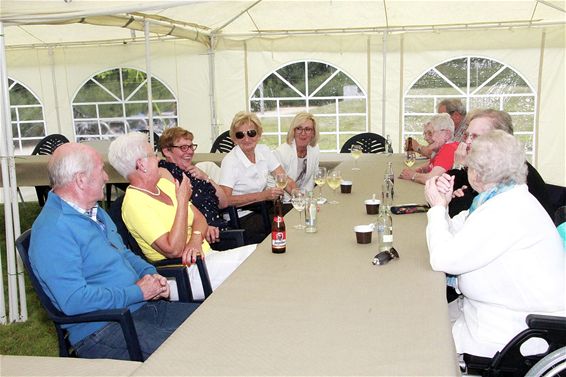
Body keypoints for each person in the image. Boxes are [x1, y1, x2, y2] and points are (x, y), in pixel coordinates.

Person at [29, 143, 198, 361]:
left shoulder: (94, 212)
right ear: (81, 179)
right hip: (102, 330)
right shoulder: (53, 230)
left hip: (138, 309)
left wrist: (151, 275)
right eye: (101, 170)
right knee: (196, 352)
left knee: (210, 324)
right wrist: (138, 292)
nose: (107, 177)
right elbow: (74, 300)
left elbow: (124, 254)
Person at [425, 130, 564, 360]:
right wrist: (445, 204)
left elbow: (443, 259)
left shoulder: (506, 211)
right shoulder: (501, 198)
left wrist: (438, 208)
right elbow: (458, 233)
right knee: (424, 315)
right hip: (487, 314)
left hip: (513, 332)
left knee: (420, 335)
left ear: (477, 174)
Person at [108, 132, 255, 300]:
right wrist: (183, 201)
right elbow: (174, 249)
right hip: (181, 274)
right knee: (256, 261)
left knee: (260, 259)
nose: (157, 159)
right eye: (153, 155)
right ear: (141, 165)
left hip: (206, 259)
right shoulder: (135, 203)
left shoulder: (163, 184)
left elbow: (200, 218)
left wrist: (194, 240)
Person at [445, 109, 552, 218]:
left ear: (499, 139)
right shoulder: (488, 166)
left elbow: (457, 210)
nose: (467, 141)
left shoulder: (510, 171)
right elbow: (443, 194)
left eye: (475, 136)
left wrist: (459, 166)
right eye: (466, 135)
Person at [219, 111, 296, 241]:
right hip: (241, 215)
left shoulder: (263, 150)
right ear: (234, 139)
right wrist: (263, 196)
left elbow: (284, 178)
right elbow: (224, 200)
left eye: (251, 133)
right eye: (240, 135)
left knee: (296, 214)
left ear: (259, 134)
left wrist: (299, 195)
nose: (246, 139)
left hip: (262, 208)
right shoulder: (230, 161)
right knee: (284, 226)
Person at [158, 127, 232, 249]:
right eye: (183, 148)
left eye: (191, 146)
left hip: (218, 231)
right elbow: (174, 212)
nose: (190, 151)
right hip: (200, 239)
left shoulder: (192, 171)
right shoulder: (165, 174)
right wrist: (201, 229)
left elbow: (224, 203)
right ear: (167, 151)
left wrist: (205, 177)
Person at [399, 113, 458, 184]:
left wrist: (412, 175)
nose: (425, 138)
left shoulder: (449, 149)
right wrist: (421, 169)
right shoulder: (443, 149)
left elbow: (432, 179)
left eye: (430, 133)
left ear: (446, 134)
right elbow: (433, 165)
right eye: (425, 134)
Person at [274, 112, 320, 200]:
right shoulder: (281, 152)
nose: (303, 133)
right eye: (299, 128)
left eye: (308, 129)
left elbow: (315, 176)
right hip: (284, 200)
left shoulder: (315, 149)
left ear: (313, 133)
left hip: (304, 197)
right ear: (293, 131)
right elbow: (279, 184)